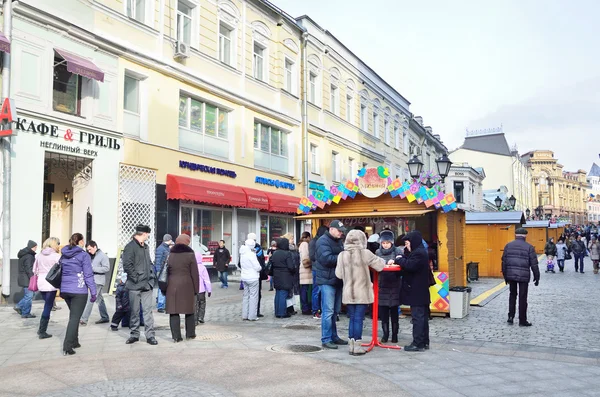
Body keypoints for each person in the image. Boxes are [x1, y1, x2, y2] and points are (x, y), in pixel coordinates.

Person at [336, 230, 385, 356]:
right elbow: (380, 265)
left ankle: (351, 345)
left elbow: (339, 274)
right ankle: (357, 346)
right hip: (362, 290)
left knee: (352, 318)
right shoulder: (365, 253)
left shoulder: (342, 255)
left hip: (348, 291)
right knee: (358, 319)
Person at [391, 231, 431, 352]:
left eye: (408, 243)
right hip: (421, 291)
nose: (407, 246)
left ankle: (417, 343)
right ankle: (424, 342)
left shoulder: (419, 253)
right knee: (422, 317)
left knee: (418, 318)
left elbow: (409, 265)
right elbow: (408, 259)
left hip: (417, 291)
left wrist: (398, 259)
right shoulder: (418, 251)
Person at [60, 233, 97, 355]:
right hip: (78, 290)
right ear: (81, 242)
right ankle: (68, 346)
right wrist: (93, 291)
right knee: (75, 318)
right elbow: (88, 274)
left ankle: (75, 341)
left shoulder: (64, 254)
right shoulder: (83, 255)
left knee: (74, 316)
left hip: (65, 289)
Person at [122, 224, 158, 345]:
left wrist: (152, 274)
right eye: (148, 234)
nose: (148, 236)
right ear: (144, 234)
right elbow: (127, 265)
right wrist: (136, 278)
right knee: (135, 311)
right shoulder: (130, 247)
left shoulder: (146, 247)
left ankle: (150, 336)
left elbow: (149, 262)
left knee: (148, 311)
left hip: (147, 284)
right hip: (134, 285)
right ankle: (134, 334)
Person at [315, 220, 347, 349]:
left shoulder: (337, 241)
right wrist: (343, 257)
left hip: (336, 279)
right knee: (328, 311)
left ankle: (334, 336)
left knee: (335, 312)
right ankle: (326, 338)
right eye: (339, 231)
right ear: (331, 229)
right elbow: (326, 259)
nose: (341, 233)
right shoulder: (322, 241)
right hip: (327, 280)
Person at [501, 228, 540, 327]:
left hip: (511, 275)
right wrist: (537, 276)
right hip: (523, 276)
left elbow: (504, 262)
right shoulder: (529, 247)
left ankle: (510, 316)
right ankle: (522, 320)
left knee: (512, 295)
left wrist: (505, 276)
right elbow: (534, 264)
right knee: (523, 297)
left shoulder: (508, 246)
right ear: (525, 236)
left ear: (515, 235)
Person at [165, 234, 199, 342]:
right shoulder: (190, 254)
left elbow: (166, 270)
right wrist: (196, 288)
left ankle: (176, 336)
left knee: (174, 311)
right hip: (187, 285)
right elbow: (194, 273)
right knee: (189, 310)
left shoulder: (170, 254)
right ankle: (190, 334)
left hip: (172, 285)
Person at [375, 230, 403, 343]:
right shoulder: (377, 252)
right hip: (383, 284)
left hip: (395, 284)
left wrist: (396, 261)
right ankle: (385, 334)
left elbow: (402, 262)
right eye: (383, 243)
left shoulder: (397, 251)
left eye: (387, 242)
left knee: (394, 312)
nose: (385, 245)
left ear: (391, 242)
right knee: (384, 312)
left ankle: (395, 335)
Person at [32, 237, 61, 339]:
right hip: (51, 282)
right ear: (54, 244)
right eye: (58, 243)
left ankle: (42, 329)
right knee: (48, 306)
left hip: (41, 281)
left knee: (47, 305)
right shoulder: (56, 256)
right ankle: (42, 331)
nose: (58, 245)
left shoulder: (39, 255)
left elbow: (34, 269)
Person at [80, 241, 110, 325]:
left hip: (98, 281)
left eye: (90, 249)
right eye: (87, 250)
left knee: (90, 298)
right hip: (92, 280)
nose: (89, 251)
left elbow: (106, 268)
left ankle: (84, 319)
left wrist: (93, 268)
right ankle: (105, 317)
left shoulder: (103, 256)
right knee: (99, 299)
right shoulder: (91, 255)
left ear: (95, 247)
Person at [270, 237, 296, 318]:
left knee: (278, 293)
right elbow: (291, 266)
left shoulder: (275, 253)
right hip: (285, 276)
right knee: (283, 294)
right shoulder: (287, 254)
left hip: (276, 275)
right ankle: (282, 312)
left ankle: (277, 312)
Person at [14, 240, 38, 319]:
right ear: (32, 247)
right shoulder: (29, 256)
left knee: (29, 295)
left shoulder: (24, 255)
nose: (36, 248)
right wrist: (32, 277)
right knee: (29, 296)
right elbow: (29, 268)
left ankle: (19, 306)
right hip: (27, 279)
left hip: (23, 278)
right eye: (35, 247)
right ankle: (25, 313)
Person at [240, 238, 262, 321]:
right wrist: (260, 268)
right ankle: (252, 316)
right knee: (253, 297)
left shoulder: (242, 253)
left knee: (246, 296)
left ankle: (244, 315)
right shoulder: (251, 254)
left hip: (244, 277)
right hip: (253, 277)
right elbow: (257, 266)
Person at [309, 226, 328, 319]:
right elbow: (312, 256)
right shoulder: (313, 242)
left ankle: (321, 310)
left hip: (322, 269)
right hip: (316, 269)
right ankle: (315, 310)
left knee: (322, 291)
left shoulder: (323, 241)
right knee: (316, 291)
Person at [247, 233, 267, 318]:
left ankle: (253, 311)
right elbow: (261, 263)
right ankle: (253, 311)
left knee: (252, 294)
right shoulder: (256, 249)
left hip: (251, 275)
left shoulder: (246, 249)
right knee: (254, 294)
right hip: (255, 274)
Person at [155, 234, 173, 313]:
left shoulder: (166, 248)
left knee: (165, 288)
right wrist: (158, 271)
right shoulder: (161, 249)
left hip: (166, 271)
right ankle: (160, 306)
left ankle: (164, 305)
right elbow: (158, 261)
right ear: (168, 240)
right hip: (162, 271)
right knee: (161, 288)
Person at [283, 232, 300, 316]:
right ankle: (289, 308)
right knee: (289, 291)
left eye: (293, 238)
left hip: (295, 271)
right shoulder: (287, 249)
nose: (293, 240)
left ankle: (291, 307)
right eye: (291, 238)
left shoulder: (294, 248)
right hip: (290, 272)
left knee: (292, 291)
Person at [195, 252, 212, 324]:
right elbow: (207, 280)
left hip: (194, 290)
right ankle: (200, 317)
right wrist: (209, 290)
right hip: (201, 290)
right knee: (202, 303)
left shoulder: (191, 267)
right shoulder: (203, 268)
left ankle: (195, 319)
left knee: (194, 304)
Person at [298, 232, 313, 315]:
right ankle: (305, 308)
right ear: (307, 237)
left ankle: (305, 307)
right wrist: (310, 263)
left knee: (305, 289)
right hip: (305, 270)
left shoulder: (302, 244)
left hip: (304, 270)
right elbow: (305, 259)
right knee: (305, 289)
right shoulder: (304, 244)